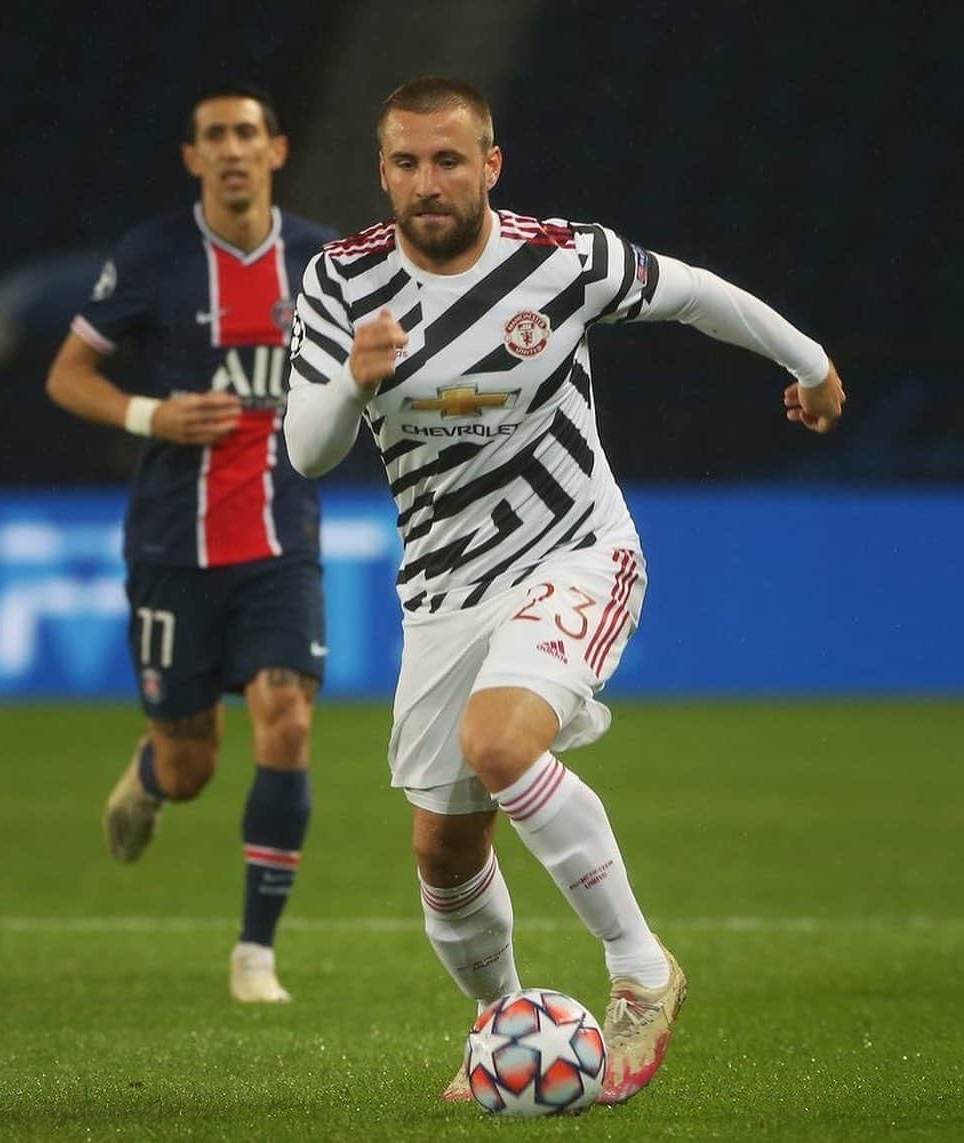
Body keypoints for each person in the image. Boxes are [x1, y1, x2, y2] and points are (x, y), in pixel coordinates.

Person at [283, 76, 845, 1103]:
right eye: (406, 163)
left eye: (449, 160)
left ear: (489, 166)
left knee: (499, 744)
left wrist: (806, 362)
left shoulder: (558, 258)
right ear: (382, 172)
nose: (427, 182)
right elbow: (308, 453)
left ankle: (640, 972)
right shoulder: (337, 281)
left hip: (576, 549)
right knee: (444, 857)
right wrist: (349, 382)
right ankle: (502, 1031)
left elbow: (693, 293)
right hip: (445, 588)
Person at [46, 83, 337, 1004]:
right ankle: (149, 772)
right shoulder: (154, 256)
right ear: (193, 158)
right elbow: (68, 374)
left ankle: (255, 952)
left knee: (286, 720)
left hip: (281, 538)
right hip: (174, 543)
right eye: (215, 136)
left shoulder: (323, 261)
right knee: (193, 764)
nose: (233, 150)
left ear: (276, 151)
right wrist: (151, 413)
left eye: (248, 133)